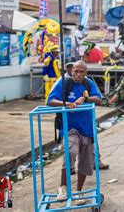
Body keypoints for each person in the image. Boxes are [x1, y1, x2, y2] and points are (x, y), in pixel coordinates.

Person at [47, 61, 103, 205]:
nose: (78, 74)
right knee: (70, 151)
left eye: (81, 72)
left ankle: (79, 191)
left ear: (86, 73)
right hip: (69, 127)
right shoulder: (64, 83)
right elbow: (50, 100)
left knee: (85, 162)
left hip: (87, 128)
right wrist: (65, 104)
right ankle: (63, 188)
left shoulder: (89, 84)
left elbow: (99, 100)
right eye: (76, 71)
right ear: (71, 71)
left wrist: (85, 98)